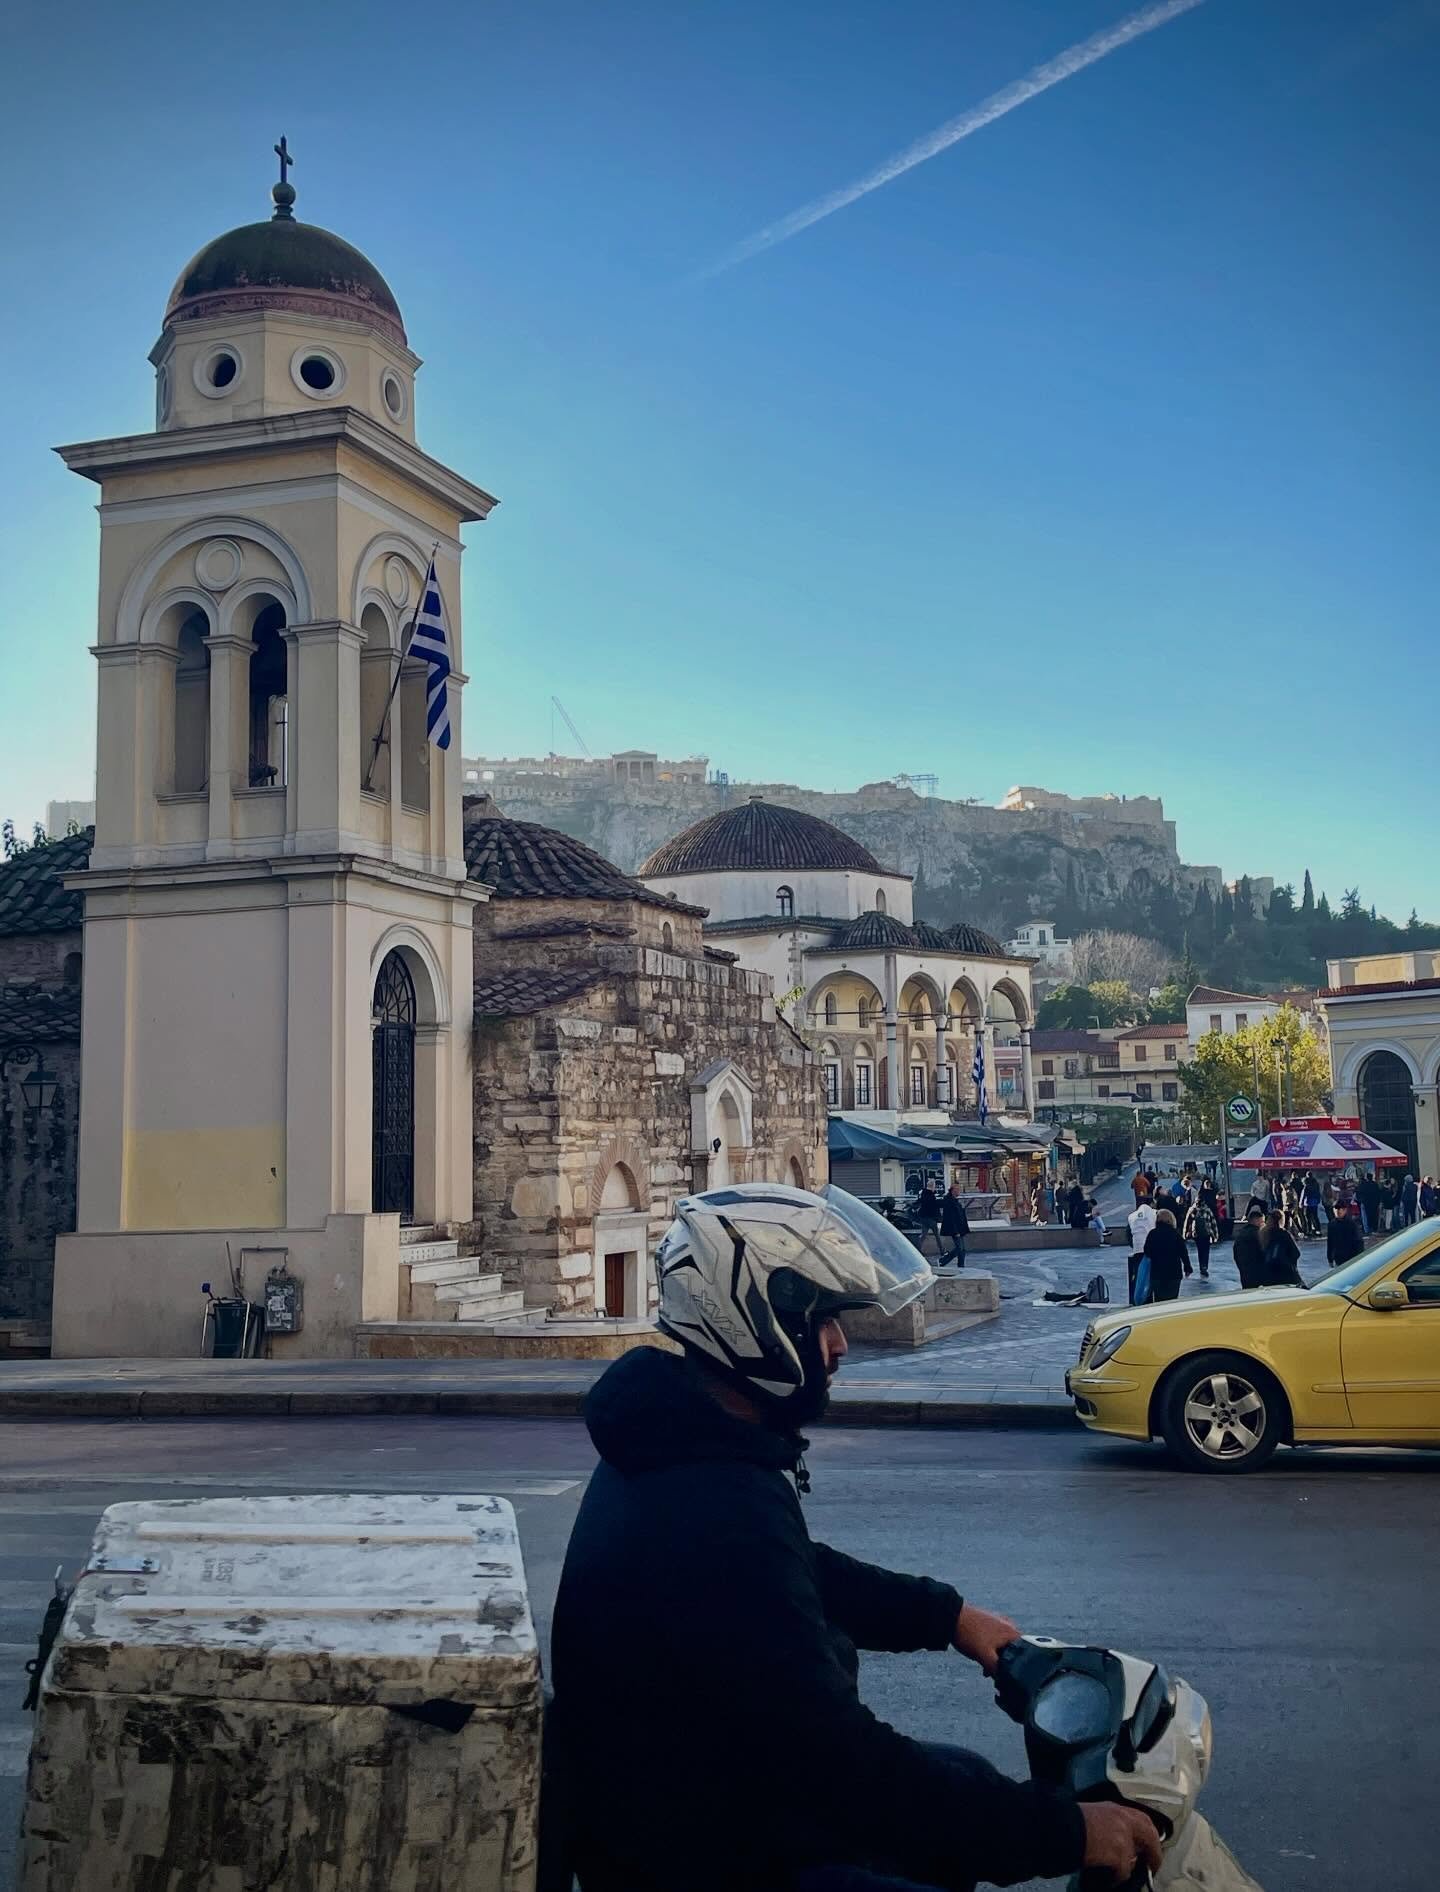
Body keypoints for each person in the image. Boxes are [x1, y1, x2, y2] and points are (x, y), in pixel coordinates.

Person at [549, 1183, 1160, 1892]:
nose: (839, 1345)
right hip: (702, 1854)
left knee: (963, 1778)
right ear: (753, 1323)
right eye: (820, 1321)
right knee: (945, 1808)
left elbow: (795, 1570)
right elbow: (841, 1761)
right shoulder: (710, 1502)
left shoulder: (677, 1445)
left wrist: (948, 1618)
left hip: (708, 1798)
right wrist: (1068, 1832)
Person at [1141, 1207, 1189, 1303]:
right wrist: (1187, 1267)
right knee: (1172, 1301)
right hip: (1174, 1273)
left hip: (1157, 1273)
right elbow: (1183, 1252)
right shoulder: (1175, 1234)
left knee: (1159, 1301)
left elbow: (1147, 1251)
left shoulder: (1152, 1234)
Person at [1260, 1209, 1305, 1288]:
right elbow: (1296, 1253)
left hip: (1269, 1274)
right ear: (1281, 1220)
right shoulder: (1283, 1234)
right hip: (1285, 1273)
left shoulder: (1263, 1233)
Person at [1126, 1195, 1157, 1304]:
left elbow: (1128, 1234)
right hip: (1152, 1250)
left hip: (1138, 1250)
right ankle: (1148, 1299)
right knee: (1151, 1276)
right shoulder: (1155, 1213)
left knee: (1138, 1276)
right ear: (1152, 1203)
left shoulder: (1131, 1216)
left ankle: (1136, 1299)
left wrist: (1134, 1246)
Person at [1182, 1193, 1218, 1280]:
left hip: (1196, 1234)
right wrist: (1215, 1235)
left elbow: (1187, 1222)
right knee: (1206, 1251)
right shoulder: (1207, 1209)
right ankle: (1204, 1267)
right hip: (1206, 1233)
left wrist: (1185, 1233)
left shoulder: (1192, 1209)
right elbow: (1213, 1222)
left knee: (1200, 1250)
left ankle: (1202, 1266)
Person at [1233, 1205, 1267, 1290]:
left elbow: (1236, 1253)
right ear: (1256, 1221)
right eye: (1262, 1222)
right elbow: (1263, 1252)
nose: (1264, 1224)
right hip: (1257, 1272)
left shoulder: (1241, 1234)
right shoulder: (1258, 1234)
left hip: (1245, 1271)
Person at [939, 1181, 970, 1269]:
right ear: (953, 1191)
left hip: (960, 1228)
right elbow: (951, 1218)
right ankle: (944, 1261)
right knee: (960, 1248)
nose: (959, 1191)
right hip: (955, 1229)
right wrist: (955, 1231)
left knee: (962, 1249)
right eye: (958, 1189)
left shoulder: (955, 1201)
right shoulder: (949, 1201)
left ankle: (960, 1265)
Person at [1327, 1202, 1366, 1267]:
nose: (1337, 1211)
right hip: (1338, 1257)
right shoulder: (1331, 1224)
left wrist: (1359, 1257)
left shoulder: (1351, 1224)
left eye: (1340, 1209)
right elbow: (1330, 1242)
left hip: (1351, 1257)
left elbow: (1359, 1242)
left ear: (1345, 1210)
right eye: (1335, 1209)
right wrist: (1330, 1259)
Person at [915, 1180, 942, 1255]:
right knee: (937, 1235)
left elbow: (919, 1202)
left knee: (923, 1234)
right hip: (931, 1218)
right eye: (934, 1186)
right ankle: (942, 1250)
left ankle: (918, 1249)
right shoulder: (931, 1196)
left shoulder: (923, 1194)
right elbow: (934, 1207)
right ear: (932, 1186)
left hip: (923, 1217)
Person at [1358, 1171, 1383, 1236]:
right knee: (1374, 1216)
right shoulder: (1375, 1185)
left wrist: (1362, 1201)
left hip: (1366, 1203)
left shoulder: (1364, 1185)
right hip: (1374, 1204)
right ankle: (1374, 1229)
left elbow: (1360, 1193)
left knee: (1366, 1217)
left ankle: (1368, 1230)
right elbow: (1378, 1194)